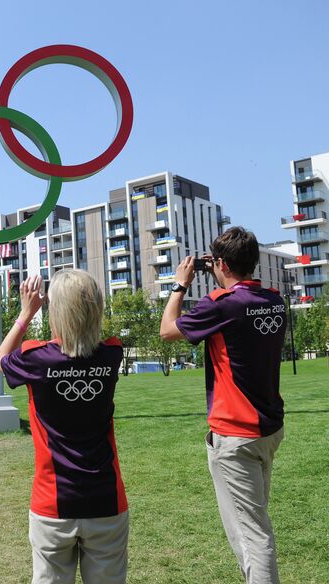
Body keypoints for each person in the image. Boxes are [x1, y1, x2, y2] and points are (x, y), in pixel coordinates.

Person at [160, 226, 285, 584]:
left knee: (252, 535)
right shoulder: (273, 301)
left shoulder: (223, 304)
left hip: (236, 435)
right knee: (254, 523)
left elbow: (167, 330)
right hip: (268, 429)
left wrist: (180, 285)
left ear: (223, 265)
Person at [0, 272, 129, 584]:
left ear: (56, 311)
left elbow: (0, 359)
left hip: (52, 503)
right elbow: (94, 342)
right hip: (106, 500)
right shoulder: (111, 354)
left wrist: (26, 313)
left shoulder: (36, 358)